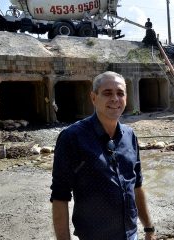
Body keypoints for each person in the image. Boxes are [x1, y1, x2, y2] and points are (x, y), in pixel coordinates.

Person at [50, 71, 156, 240]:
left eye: (120, 93)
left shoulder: (130, 136)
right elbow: (60, 197)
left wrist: (149, 228)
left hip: (131, 235)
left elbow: (136, 185)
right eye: (107, 93)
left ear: (126, 98)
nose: (115, 98)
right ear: (93, 98)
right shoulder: (72, 138)